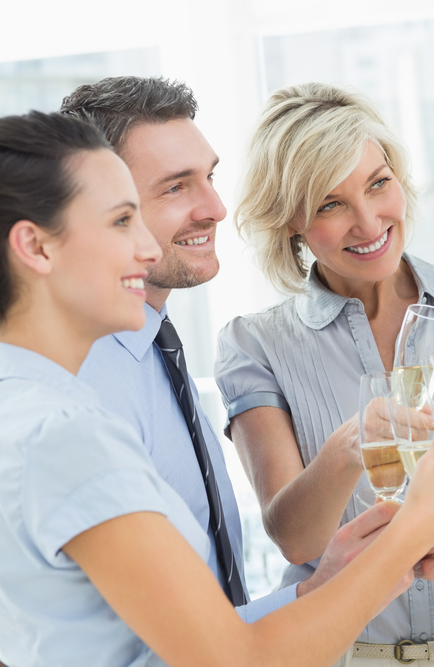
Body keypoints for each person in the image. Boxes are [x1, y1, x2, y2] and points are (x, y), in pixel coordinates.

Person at [0, 109, 434, 667]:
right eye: (122, 221)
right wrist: (413, 532)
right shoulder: (65, 434)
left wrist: (317, 590)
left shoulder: (28, 406)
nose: (146, 249)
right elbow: (233, 661)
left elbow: (185, 645)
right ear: (36, 248)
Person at [213, 83, 434, 666]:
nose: (368, 223)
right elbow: (296, 539)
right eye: (329, 204)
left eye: (377, 184)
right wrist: (349, 446)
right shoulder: (255, 345)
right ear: (290, 222)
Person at [58, 75, 359, 617]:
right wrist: (326, 593)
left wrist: (327, 587)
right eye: (176, 187)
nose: (216, 208)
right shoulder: (77, 389)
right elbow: (131, 634)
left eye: (210, 177)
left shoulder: (154, 354)